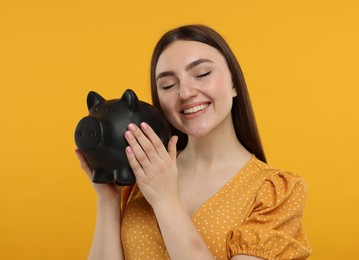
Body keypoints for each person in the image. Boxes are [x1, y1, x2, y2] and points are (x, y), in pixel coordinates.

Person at [76, 24, 311, 260]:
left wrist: (165, 199)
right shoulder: (140, 176)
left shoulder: (275, 192)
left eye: (202, 74)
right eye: (168, 85)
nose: (185, 93)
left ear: (234, 84)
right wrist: (108, 200)